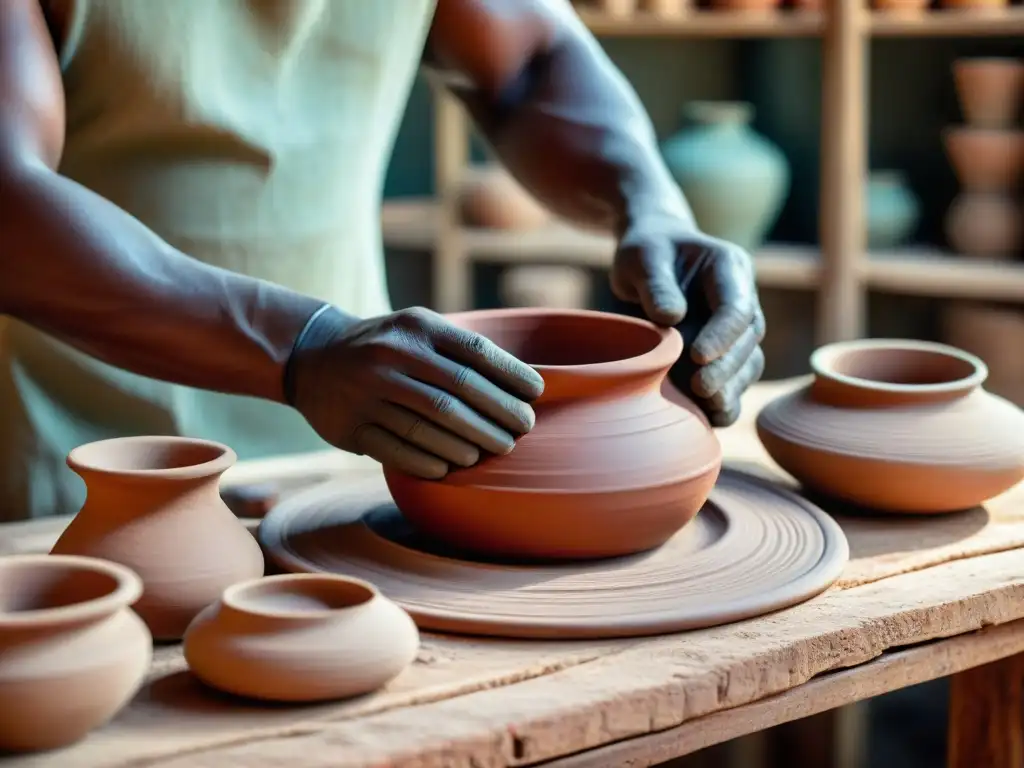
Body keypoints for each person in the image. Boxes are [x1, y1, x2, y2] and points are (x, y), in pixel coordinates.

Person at [0, 0, 766, 521]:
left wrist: (650, 204)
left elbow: (532, 63)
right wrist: (301, 348)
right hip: (80, 480)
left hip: (362, 455)